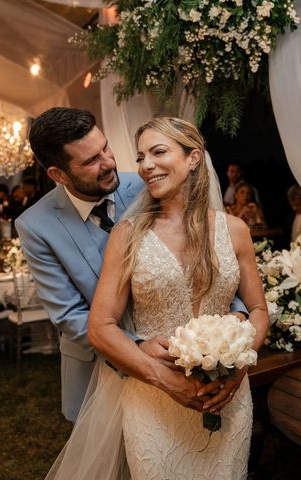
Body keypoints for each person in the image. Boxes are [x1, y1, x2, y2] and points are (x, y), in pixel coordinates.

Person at [46, 117, 268, 479]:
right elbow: (101, 327)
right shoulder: (128, 235)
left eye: (158, 152)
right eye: (141, 156)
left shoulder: (236, 230)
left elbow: (258, 309)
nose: (145, 165)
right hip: (153, 400)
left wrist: (239, 367)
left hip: (227, 396)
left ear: (193, 157)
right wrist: (165, 381)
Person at [16, 107, 249, 422]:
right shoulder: (36, 226)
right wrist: (136, 346)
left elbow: (209, 253)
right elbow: (70, 314)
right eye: (90, 161)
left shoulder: (147, 183)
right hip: (98, 368)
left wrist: (233, 313)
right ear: (58, 174)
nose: (109, 162)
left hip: (184, 357)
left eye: (106, 148)